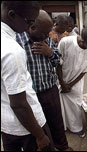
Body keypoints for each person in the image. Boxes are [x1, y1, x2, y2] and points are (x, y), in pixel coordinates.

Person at [1, 1, 55, 151]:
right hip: (27, 127)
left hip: (7, 125)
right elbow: (19, 104)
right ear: (12, 15)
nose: (29, 28)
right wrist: (40, 135)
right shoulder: (12, 50)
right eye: (30, 22)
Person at [16, 10, 72, 151]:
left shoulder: (46, 39)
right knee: (39, 128)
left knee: (57, 123)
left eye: (48, 33)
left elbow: (57, 61)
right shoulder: (17, 41)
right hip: (32, 96)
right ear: (32, 27)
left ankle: (63, 147)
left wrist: (50, 53)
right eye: (44, 34)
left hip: (50, 90)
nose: (47, 37)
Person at [56, 26, 87, 137]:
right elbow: (58, 63)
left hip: (76, 81)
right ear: (83, 42)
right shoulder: (66, 42)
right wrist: (62, 83)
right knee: (59, 106)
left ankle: (76, 128)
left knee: (76, 104)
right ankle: (63, 127)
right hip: (60, 79)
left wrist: (70, 84)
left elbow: (86, 69)